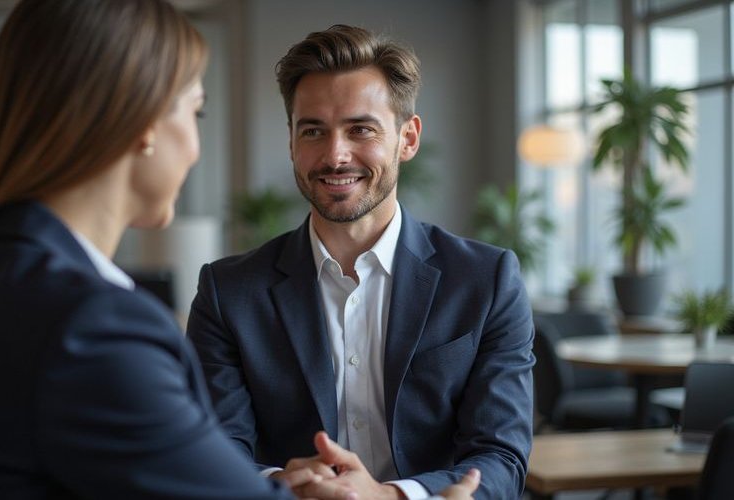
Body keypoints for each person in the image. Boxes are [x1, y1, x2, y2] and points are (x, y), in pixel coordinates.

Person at [0, 2, 485, 499]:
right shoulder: (92, 324)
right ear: (143, 124)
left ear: (407, 137)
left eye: (360, 129)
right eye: (194, 112)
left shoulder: (3, 271)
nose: (196, 148)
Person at [187, 24, 534, 500]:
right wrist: (283, 487)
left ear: (407, 138)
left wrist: (390, 497)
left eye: (361, 129)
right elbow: (214, 453)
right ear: (291, 142)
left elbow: (501, 457)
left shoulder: (486, 281)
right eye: (313, 131)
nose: (335, 155)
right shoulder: (228, 293)